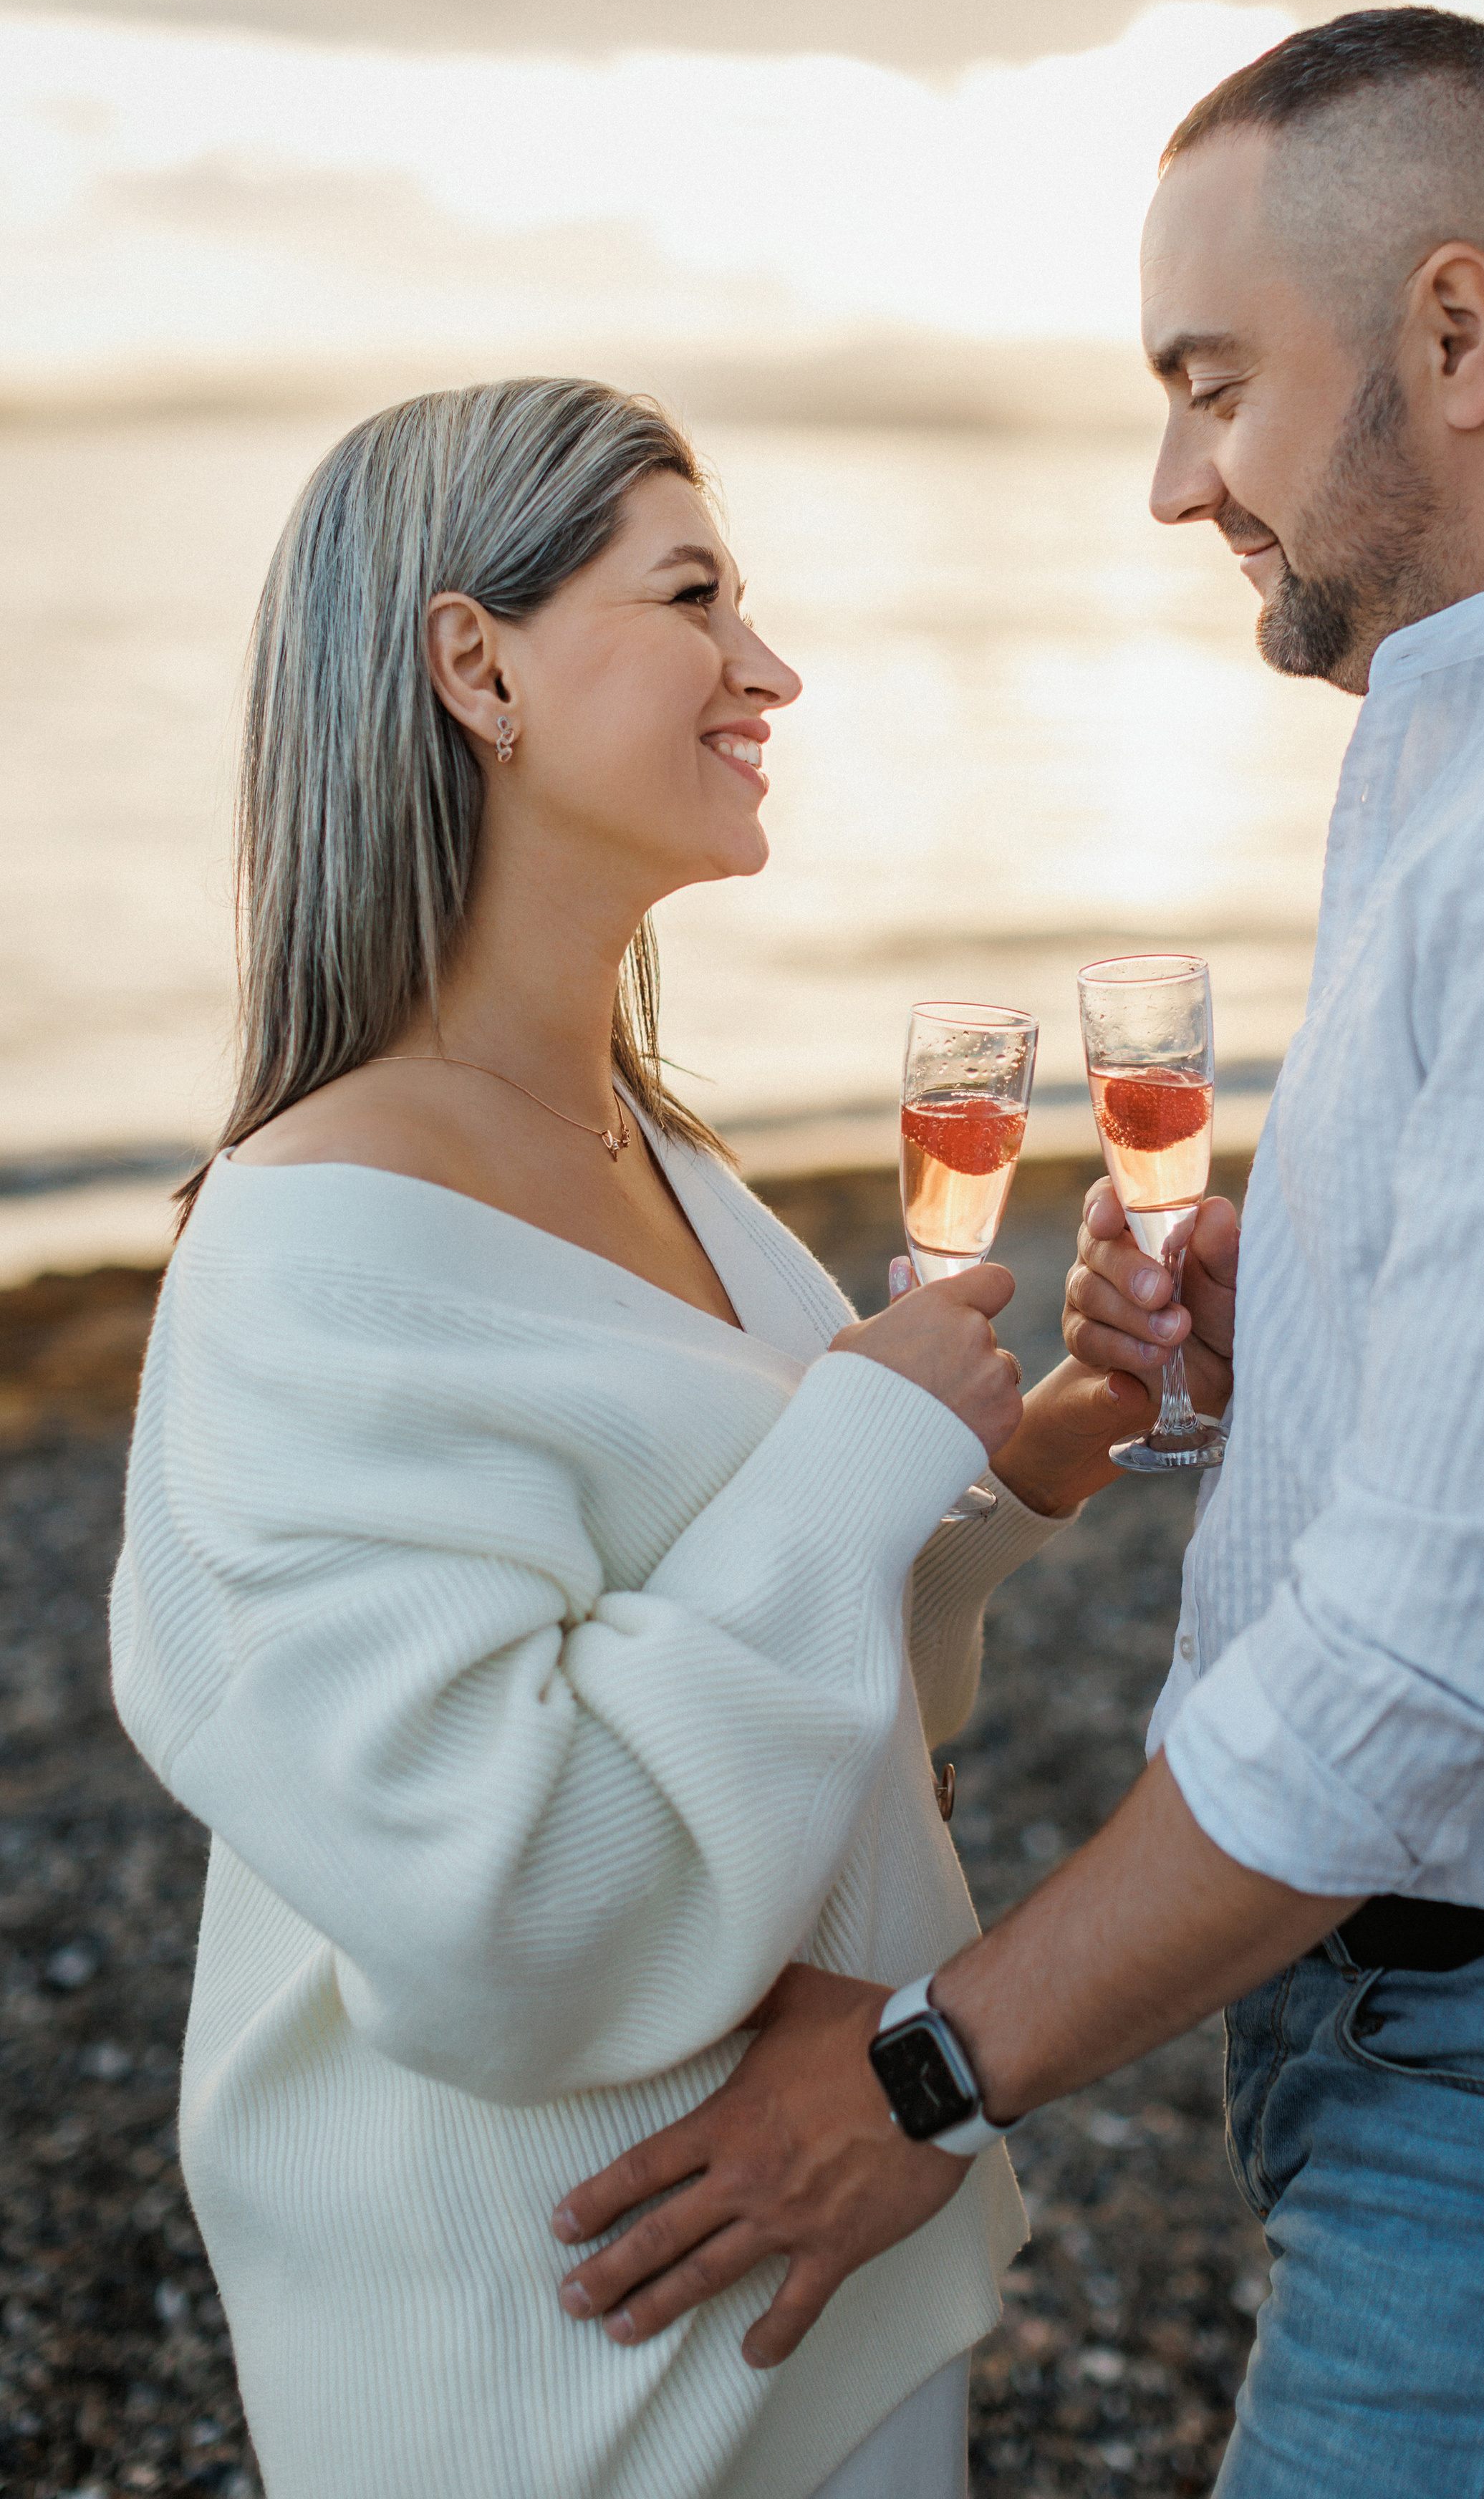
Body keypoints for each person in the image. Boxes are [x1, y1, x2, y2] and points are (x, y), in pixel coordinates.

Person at [549, 10, 1484, 2497]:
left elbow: (1438, 1656)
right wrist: (1299, 1349)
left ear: (1456, 335)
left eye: (1212, 387)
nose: (1173, 483)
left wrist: (927, 2063)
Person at [108, 376, 1217, 2499]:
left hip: (820, 2269)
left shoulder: (662, 1149)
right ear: (474, 663)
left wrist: (1052, 1442)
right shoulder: (311, 1258)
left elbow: (789, 1639)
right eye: (695, 596)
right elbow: (500, 1891)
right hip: (566, 2358)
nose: (771, 669)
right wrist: (851, 1447)